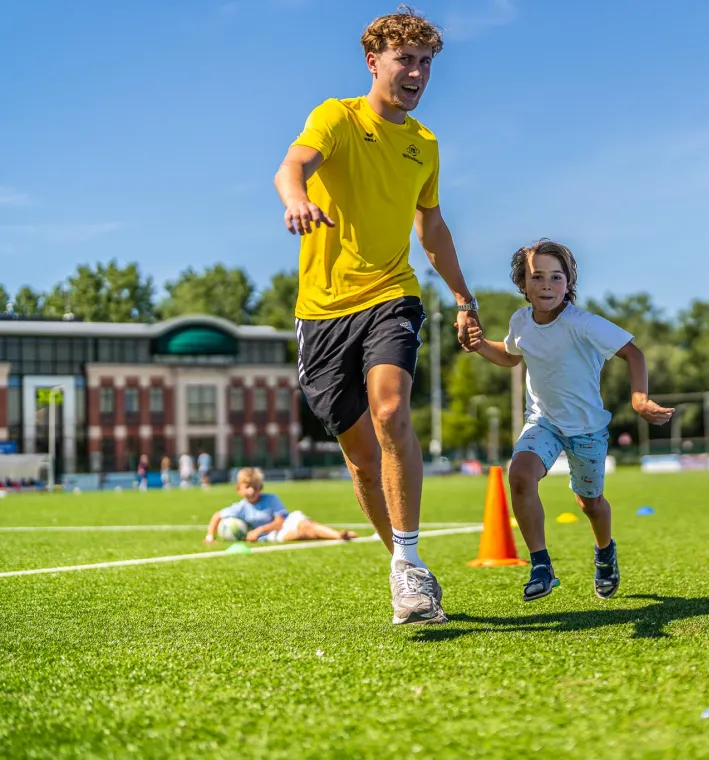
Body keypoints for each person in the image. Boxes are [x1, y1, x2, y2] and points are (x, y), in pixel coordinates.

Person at [273, 8, 480, 625]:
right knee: (363, 460)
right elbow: (291, 166)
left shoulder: (425, 145)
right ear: (374, 62)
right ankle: (405, 566)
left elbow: (432, 229)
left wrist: (464, 298)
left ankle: (408, 562)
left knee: (391, 410)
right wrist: (296, 199)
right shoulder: (337, 117)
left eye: (425, 62)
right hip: (322, 312)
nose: (416, 72)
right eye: (404, 60)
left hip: (392, 292)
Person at [467, 240, 674, 601]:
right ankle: (541, 565)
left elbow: (633, 353)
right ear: (522, 282)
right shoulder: (520, 321)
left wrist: (639, 398)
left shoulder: (583, 324)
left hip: (587, 428)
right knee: (520, 476)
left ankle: (605, 552)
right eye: (537, 277)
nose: (546, 285)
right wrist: (481, 345)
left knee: (589, 503)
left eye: (556, 277)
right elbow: (512, 356)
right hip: (543, 422)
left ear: (568, 283)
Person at [203, 468, 357, 544]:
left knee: (306, 524)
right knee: (300, 535)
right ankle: (332, 536)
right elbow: (217, 516)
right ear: (239, 489)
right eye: (247, 487)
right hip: (271, 536)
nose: (252, 491)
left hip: (287, 522)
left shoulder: (271, 499)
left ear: (261, 487)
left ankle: (339, 535)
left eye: (255, 487)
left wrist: (258, 530)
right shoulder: (240, 508)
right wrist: (210, 537)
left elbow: (280, 522)